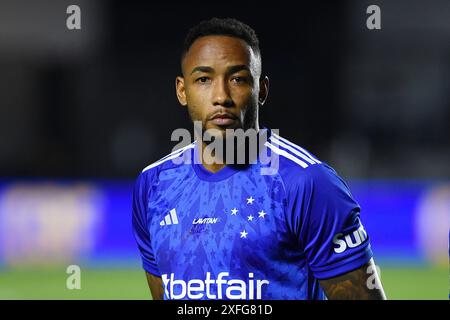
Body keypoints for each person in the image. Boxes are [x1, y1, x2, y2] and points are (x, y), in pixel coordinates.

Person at [132, 17, 386, 300]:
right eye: (204, 79)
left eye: (238, 79)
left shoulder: (308, 183)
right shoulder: (153, 185)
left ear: (261, 90)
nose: (221, 96)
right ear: (182, 90)